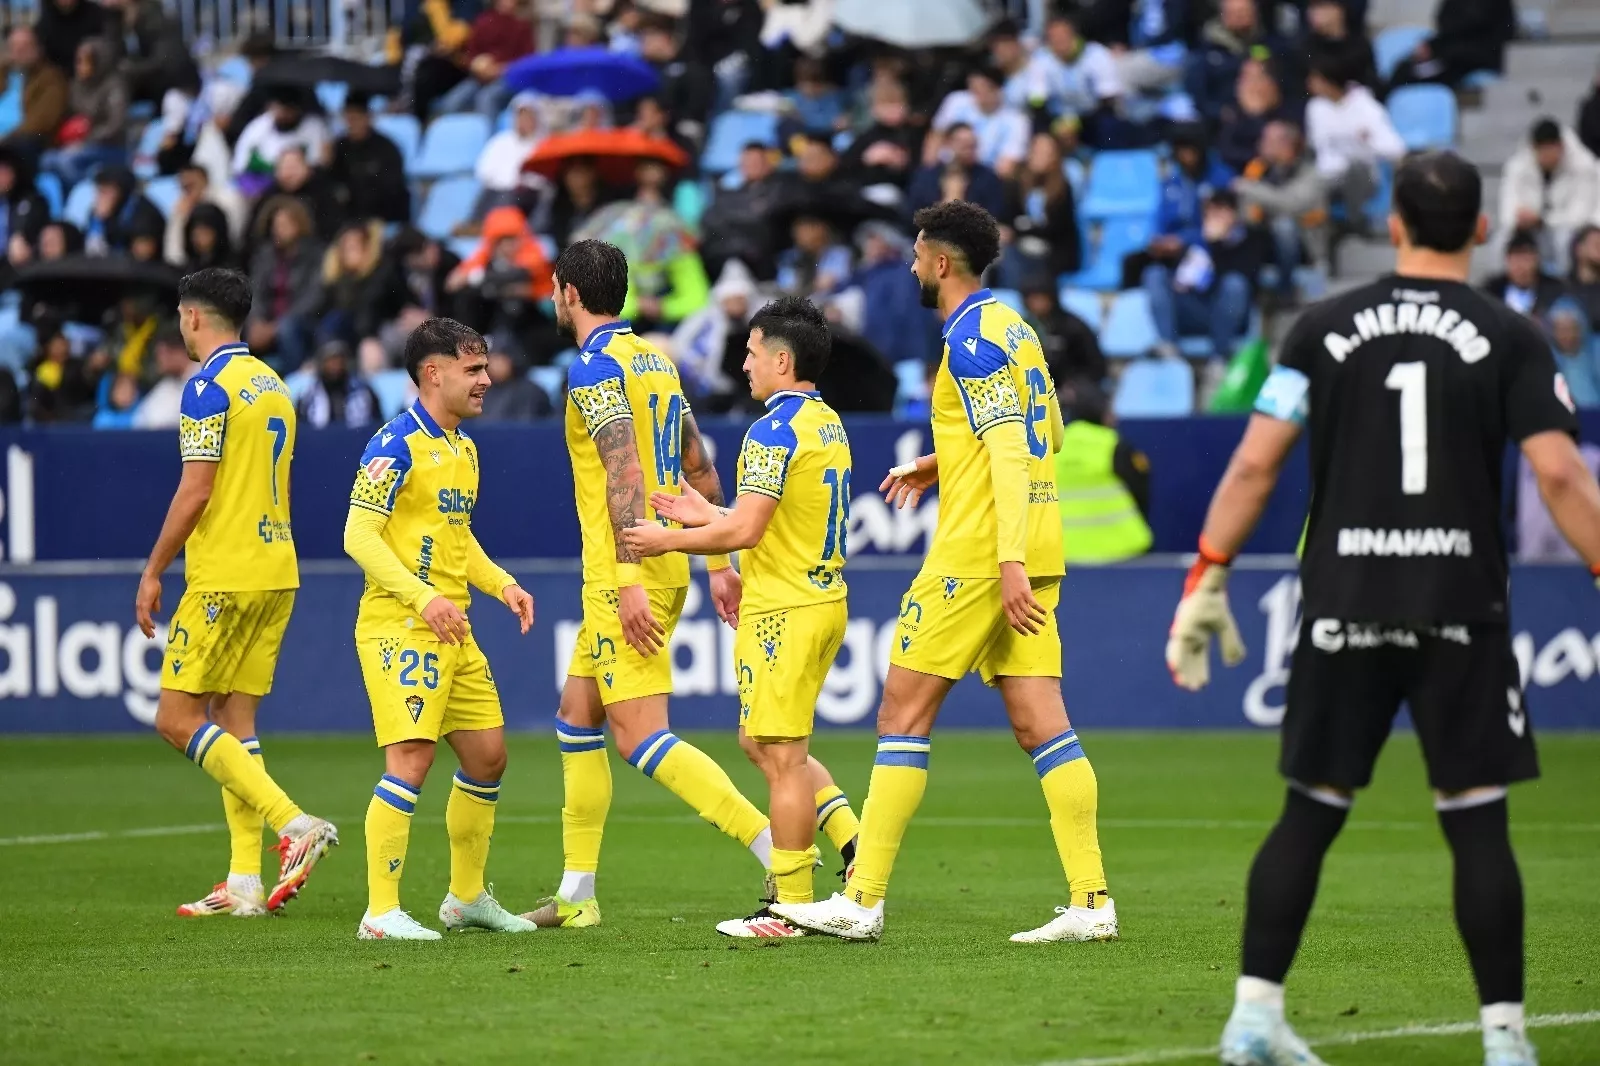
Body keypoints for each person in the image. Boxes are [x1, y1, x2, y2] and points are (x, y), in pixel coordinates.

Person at [1166, 151, 1600, 1066]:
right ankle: (1506, 1041)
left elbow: (1254, 462)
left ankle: (1252, 1018)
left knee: (1310, 811)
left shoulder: (1322, 328)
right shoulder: (1515, 336)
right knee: (1476, 819)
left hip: (1344, 603)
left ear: (1393, 225)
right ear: (1482, 230)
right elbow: (1559, 471)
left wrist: (1208, 570)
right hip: (1459, 607)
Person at [768, 200, 1115, 945]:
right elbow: (1045, 429)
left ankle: (860, 901)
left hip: (984, 553)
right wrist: (942, 461)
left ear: (942, 262)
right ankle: (1091, 902)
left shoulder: (968, 341)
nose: (913, 265)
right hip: (1032, 542)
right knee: (1040, 722)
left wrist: (1008, 561)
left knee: (901, 712)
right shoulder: (1014, 329)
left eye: (918, 253)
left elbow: (1016, 452)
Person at [522, 239, 773, 930]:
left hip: (625, 569)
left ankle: (779, 853)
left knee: (640, 738)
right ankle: (577, 894)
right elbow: (698, 463)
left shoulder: (595, 367)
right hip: (665, 559)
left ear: (568, 292)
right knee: (578, 718)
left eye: (553, 288)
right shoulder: (655, 360)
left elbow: (624, 468)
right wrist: (718, 565)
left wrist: (627, 577)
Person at [622, 296, 862, 937]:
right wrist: (701, 518)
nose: (745, 362)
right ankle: (850, 838)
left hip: (785, 608)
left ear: (783, 360)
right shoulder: (824, 422)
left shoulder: (773, 429)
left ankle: (793, 906)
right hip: (818, 599)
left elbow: (751, 530)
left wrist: (666, 541)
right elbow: (771, 520)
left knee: (781, 757)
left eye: (753, 351)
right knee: (761, 743)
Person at [133, 266, 339, 919]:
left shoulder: (207, 387)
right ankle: (244, 882)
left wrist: (154, 568)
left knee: (176, 718)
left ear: (192, 317)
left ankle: (294, 825)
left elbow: (197, 489)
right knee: (235, 721)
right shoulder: (275, 386)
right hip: (277, 569)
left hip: (225, 570)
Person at [343, 316, 538, 941]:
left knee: (488, 757)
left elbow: (458, 540)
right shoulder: (393, 445)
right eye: (473, 370)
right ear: (433, 373)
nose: (486, 380)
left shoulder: (463, 447)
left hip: (452, 625)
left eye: (485, 368)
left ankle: (465, 897)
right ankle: (380, 912)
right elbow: (358, 536)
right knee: (411, 758)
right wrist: (424, 599)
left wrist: (502, 582)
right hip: (401, 623)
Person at [1053, 380, 1151, 565]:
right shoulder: (1115, 444)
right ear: (1102, 412)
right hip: (1123, 549)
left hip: (1066, 554)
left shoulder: (1052, 444)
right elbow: (1141, 491)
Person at [1305, 57, 1404, 232]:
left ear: (1331, 81)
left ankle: (1355, 223)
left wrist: (1365, 140)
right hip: (1327, 175)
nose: (1309, 84)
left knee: (1353, 170)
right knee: (1309, 185)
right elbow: (1318, 145)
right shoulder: (1315, 108)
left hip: (1363, 173)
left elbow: (1395, 148)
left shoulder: (1366, 106)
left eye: (1316, 79)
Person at [1234, 121, 1327, 299]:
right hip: (1265, 242)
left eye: (1267, 140)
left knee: (1284, 226)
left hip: (1304, 245)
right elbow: (1244, 209)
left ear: (1287, 144)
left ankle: (1285, 290)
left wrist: (1249, 189)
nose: (1260, 144)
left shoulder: (1311, 172)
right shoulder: (1259, 169)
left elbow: (1291, 204)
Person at [1498, 119, 1600, 275]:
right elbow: (1507, 212)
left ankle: (1564, 283)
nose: (1546, 156)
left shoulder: (1583, 165)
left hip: (1568, 230)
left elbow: (1580, 217)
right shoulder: (1517, 167)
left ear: (1561, 147)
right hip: (1530, 229)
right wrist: (1520, 220)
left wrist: (1543, 221)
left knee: (1563, 238)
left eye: (1550, 150)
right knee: (1501, 239)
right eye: (1542, 151)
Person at [40, 39, 127, 188]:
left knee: (67, 161)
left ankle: (83, 195)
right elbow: (69, 116)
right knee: (47, 159)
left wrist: (86, 140)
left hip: (110, 146)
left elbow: (115, 125)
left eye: (86, 61)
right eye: (78, 61)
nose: (80, 67)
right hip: (79, 144)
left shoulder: (114, 86)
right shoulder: (76, 86)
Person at [927, 66, 1030, 180]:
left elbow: (1007, 167)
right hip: (945, 172)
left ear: (997, 89)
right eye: (973, 89)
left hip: (986, 179)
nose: (977, 95)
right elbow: (935, 138)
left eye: (982, 89)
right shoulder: (956, 101)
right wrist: (928, 172)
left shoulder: (1016, 121)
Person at [1387, 0, 1516, 92]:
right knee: (1403, 68)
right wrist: (1431, 46)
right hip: (1453, 54)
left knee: (1406, 74)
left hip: (1468, 60)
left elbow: (1467, 28)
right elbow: (1445, 25)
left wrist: (1436, 49)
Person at [435, 0, 534, 118]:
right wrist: (476, 65)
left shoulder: (522, 26)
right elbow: (469, 54)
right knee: (451, 103)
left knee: (486, 99)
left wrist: (500, 69)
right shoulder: (483, 21)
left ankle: (486, 134)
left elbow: (528, 62)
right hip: (480, 79)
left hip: (507, 79)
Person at [328, 91, 411, 226]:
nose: (352, 124)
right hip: (349, 217)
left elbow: (393, 187)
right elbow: (333, 180)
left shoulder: (387, 148)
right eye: (348, 118)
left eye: (356, 118)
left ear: (367, 117)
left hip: (382, 216)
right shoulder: (340, 146)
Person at [0, 26, 69, 157]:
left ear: (38, 49)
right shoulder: (2, 73)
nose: (19, 51)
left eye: (26, 46)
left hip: (21, 141)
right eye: (14, 46)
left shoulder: (51, 79)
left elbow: (42, 121)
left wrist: (5, 139)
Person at [1484, 230, 1567, 319]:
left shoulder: (1554, 289)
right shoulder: (1492, 290)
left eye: (1526, 259)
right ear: (1507, 261)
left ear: (1537, 260)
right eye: (1516, 260)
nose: (1521, 266)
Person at [296, 340, 380, 429]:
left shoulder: (364, 392)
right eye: (331, 360)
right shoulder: (308, 396)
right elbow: (302, 429)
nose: (336, 365)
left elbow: (376, 425)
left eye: (339, 360)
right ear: (322, 363)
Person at [130, 329, 194, 429]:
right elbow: (140, 421)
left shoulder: (207, 380)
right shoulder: (165, 386)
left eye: (161, 353)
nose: (158, 359)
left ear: (178, 352)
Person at [1544, 297, 1600, 409]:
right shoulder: (1547, 357)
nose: (1568, 335)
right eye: (1562, 330)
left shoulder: (1596, 349)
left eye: (1573, 328)